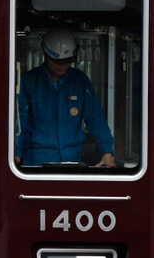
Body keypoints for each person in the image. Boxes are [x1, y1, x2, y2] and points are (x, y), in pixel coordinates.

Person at [15, 28, 115, 167]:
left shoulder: (79, 81)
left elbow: (95, 119)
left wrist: (107, 152)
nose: (63, 65)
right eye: (58, 61)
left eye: (68, 61)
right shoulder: (28, 82)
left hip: (72, 160)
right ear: (45, 54)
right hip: (36, 163)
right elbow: (19, 122)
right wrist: (16, 153)